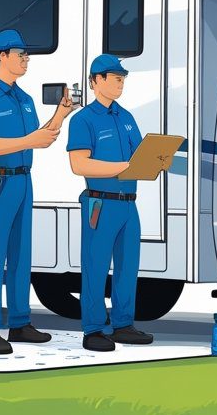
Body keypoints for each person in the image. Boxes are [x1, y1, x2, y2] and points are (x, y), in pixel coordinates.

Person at [0, 28, 73, 355]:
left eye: (27, 54)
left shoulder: (24, 99)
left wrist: (61, 114)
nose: (27, 59)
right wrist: (30, 141)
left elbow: (42, 136)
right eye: (20, 54)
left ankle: (19, 322)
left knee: (20, 256)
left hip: (24, 181)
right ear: (2, 56)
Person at [66, 54, 155, 351]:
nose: (121, 83)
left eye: (123, 78)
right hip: (100, 204)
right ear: (97, 81)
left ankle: (122, 324)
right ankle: (92, 329)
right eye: (116, 78)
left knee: (128, 266)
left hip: (129, 204)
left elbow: (139, 156)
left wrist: (156, 159)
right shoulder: (83, 120)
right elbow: (79, 165)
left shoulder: (126, 117)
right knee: (96, 265)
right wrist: (123, 167)